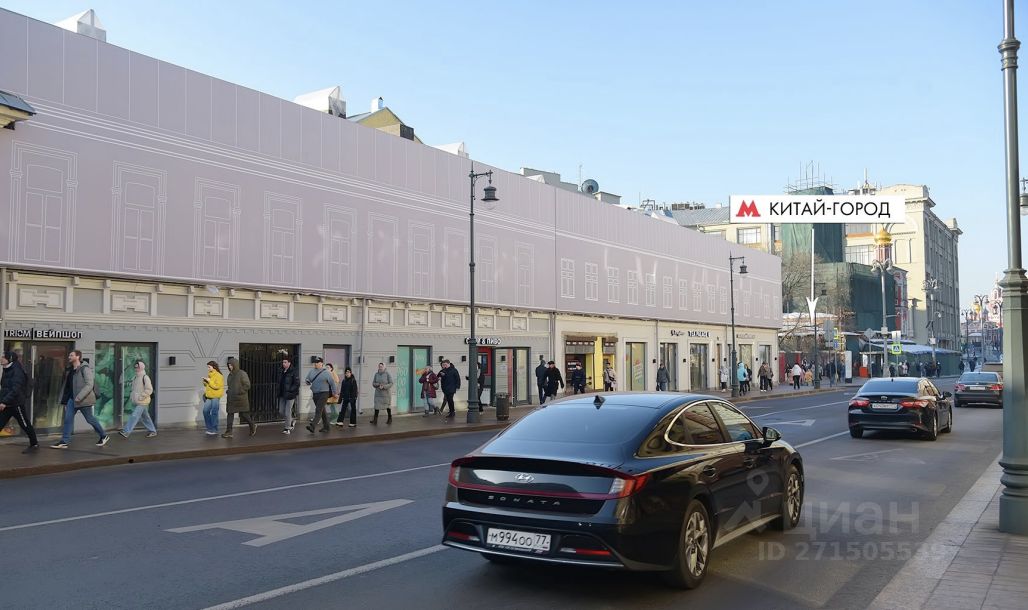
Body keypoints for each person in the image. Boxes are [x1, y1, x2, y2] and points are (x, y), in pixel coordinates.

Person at [51, 350, 109, 449]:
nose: (69, 357)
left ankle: (103, 435)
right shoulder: (70, 370)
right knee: (68, 420)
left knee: (90, 419)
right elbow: (67, 387)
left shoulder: (85, 369)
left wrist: (79, 397)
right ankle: (64, 441)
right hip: (71, 399)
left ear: (78, 357)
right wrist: (65, 401)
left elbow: (89, 384)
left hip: (83, 400)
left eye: (71, 355)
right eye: (69, 355)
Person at [0, 351, 38, 453]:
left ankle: (34, 444)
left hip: (16, 404)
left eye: (3, 357)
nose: (1, 358)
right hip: (7, 404)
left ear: (10, 359)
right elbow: (4, 388)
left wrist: (4, 401)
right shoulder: (6, 369)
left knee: (25, 424)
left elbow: (15, 389)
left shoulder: (17, 371)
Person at [119, 360, 157, 439]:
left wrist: (141, 396)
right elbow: (134, 389)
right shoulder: (135, 377)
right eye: (135, 367)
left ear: (142, 367)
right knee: (145, 417)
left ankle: (126, 431)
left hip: (143, 401)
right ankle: (153, 431)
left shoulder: (145, 377)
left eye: (137, 367)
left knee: (134, 415)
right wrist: (133, 397)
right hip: (138, 401)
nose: (136, 368)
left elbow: (149, 389)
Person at [223, 357, 256, 438]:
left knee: (244, 414)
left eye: (231, 365)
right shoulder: (230, 375)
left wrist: (238, 391)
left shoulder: (242, 373)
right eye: (229, 365)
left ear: (235, 365)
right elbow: (230, 386)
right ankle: (229, 432)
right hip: (231, 399)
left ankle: (252, 425)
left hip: (240, 399)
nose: (230, 367)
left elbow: (247, 385)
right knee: (230, 414)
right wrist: (229, 391)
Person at [305, 357, 338, 433]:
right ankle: (326, 427)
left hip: (324, 393)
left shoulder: (326, 372)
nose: (315, 364)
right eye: (315, 362)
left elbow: (332, 383)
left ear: (321, 363)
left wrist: (334, 393)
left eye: (317, 362)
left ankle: (312, 426)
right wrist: (307, 381)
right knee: (322, 410)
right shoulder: (311, 371)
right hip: (315, 393)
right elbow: (307, 379)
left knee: (318, 409)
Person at [276, 355, 300, 434]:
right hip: (282, 394)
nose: (283, 363)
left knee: (287, 412)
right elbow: (279, 381)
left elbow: (297, 383)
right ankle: (291, 421)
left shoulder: (294, 371)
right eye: (283, 362)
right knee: (281, 411)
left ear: (289, 363)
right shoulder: (281, 370)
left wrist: (290, 390)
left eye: (285, 362)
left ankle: (287, 428)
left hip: (290, 395)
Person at [201, 361, 224, 435]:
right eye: (207, 367)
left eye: (209, 367)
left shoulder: (219, 375)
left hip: (215, 397)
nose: (208, 368)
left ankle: (214, 430)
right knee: (205, 411)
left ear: (214, 367)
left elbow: (217, 386)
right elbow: (207, 385)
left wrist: (209, 381)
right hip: (209, 396)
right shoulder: (210, 374)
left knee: (214, 413)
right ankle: (209, 428)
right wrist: (205, 381)